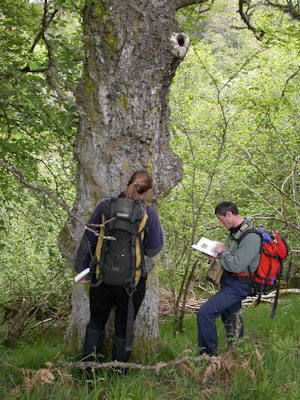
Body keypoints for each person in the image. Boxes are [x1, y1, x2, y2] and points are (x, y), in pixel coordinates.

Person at [74, 170, 164, 364]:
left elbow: (88, 239)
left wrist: (81, 270)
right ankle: (119, 374)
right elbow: (153, 249)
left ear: (128, 184)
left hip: (101, 279)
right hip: (132, 284)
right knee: (124, 328)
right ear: (147, 191)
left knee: (96, 323)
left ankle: (89, 371)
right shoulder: (149, 214)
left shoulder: (105, 207)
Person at [197, 201, 261, 356]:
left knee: (204, 314)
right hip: (230, 282)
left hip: (239, 285)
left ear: (230, 214)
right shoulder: (236, 233)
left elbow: (237, 265)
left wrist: (222, 252)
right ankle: (234, 354)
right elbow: (233, 257)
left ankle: (208, 357)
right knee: (231, 318)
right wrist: (218, 253)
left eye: (221, 218)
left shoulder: (251, 236)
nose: (220, 223)